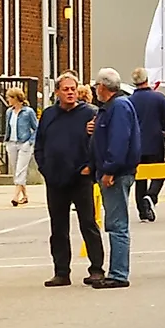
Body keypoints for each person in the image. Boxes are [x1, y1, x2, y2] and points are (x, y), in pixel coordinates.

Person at [36, 72, 101, 287]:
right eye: (66, 89)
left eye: (73, 89)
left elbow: (99, 144)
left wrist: (90, 168)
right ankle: (61, 272)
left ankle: (96, 269)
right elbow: (40, 145)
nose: (70, 93)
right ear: (57, 92)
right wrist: (45, 169)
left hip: (80, 179)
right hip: (55, 180)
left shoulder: (89, 114)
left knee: (88, 224)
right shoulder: (48, 115)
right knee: (58, 228)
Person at [91, 69, 140, 289]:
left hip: (117, 174)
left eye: (96, 87)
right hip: (114, 171)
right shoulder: (112, 107)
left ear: (102, 86)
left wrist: (110, 169)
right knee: (115, 222)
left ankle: (119, 273)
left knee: (117, 224)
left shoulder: (118, 107)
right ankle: (117, 271)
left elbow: (119, 140)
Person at [128, 69, 165, 222]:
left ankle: (142, 211)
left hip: (136, 145)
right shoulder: (159, 98)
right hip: (155, 142)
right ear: (147, 79)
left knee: (140, 177)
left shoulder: (129, 101)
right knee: (159, 174)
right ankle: (151, 196)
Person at [4, 85, 38, 207]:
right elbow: (8, 127)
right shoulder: (9, 112)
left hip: (24, 143)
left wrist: (30, 142)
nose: (8, 99)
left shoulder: (28, 112)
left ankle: (15, 197)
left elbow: (36, 128)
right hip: (11, 143)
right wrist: (6, 141)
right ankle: (24, 195)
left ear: (15, 98)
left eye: (9, 97)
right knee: (16, 171)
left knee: (20, 170)